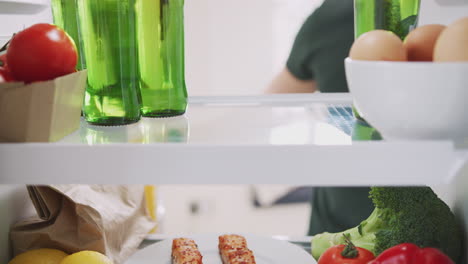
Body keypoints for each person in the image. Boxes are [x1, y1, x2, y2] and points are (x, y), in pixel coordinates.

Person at [266, 0, 375, 235]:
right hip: (428, 210)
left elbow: (274, 98)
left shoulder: (329, 17)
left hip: (342, 209)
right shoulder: (430, 17)